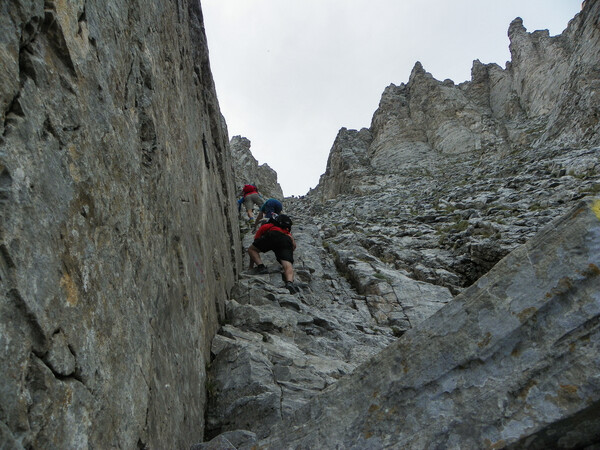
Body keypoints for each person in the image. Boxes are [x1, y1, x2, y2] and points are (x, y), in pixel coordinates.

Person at [247, 214, 300, 294]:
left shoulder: (268, 226)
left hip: (272, 235)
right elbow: (294, 246)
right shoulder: (288, 233)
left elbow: (254, 245)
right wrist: (287, 255)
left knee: (251, 249)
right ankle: (289, 282)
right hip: (286, 240)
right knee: (287, 264)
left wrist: (251, 266)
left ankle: (261, 267)